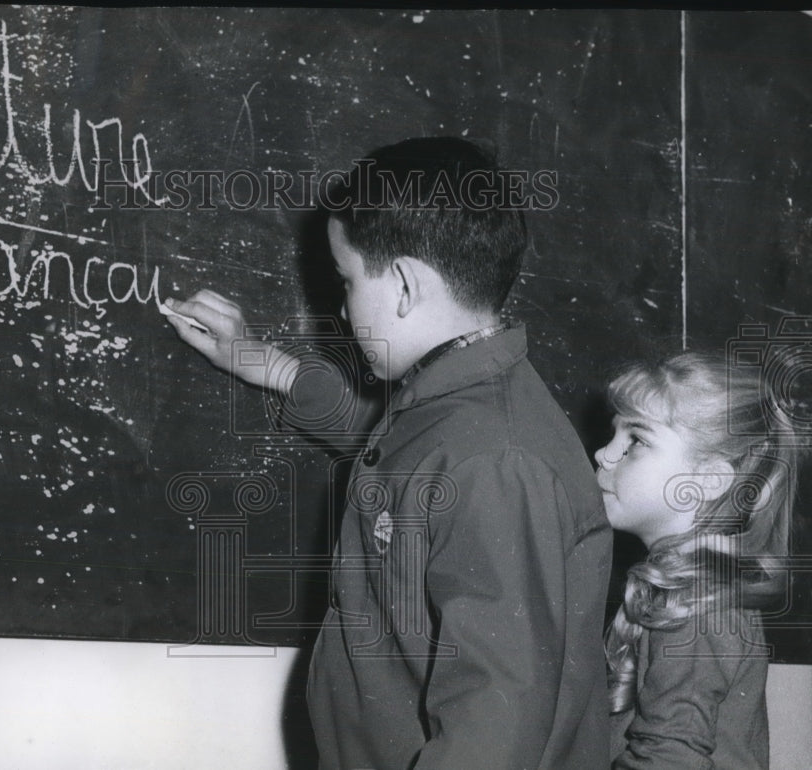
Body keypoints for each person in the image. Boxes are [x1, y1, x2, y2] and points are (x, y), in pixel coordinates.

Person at [166, 137, 612, 769]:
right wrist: (264, 364)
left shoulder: (495, 461)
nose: (343, 312)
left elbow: (494, 723)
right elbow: (392, 458)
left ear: (403, 283)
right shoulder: (455, 410)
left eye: (347, 282)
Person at [595, 351, 807, 768]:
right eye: (613, 434)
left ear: (707, 480)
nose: (604, 454)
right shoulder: (687, 591)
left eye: (636, 440)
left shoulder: (698, 608)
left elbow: (670, 758)